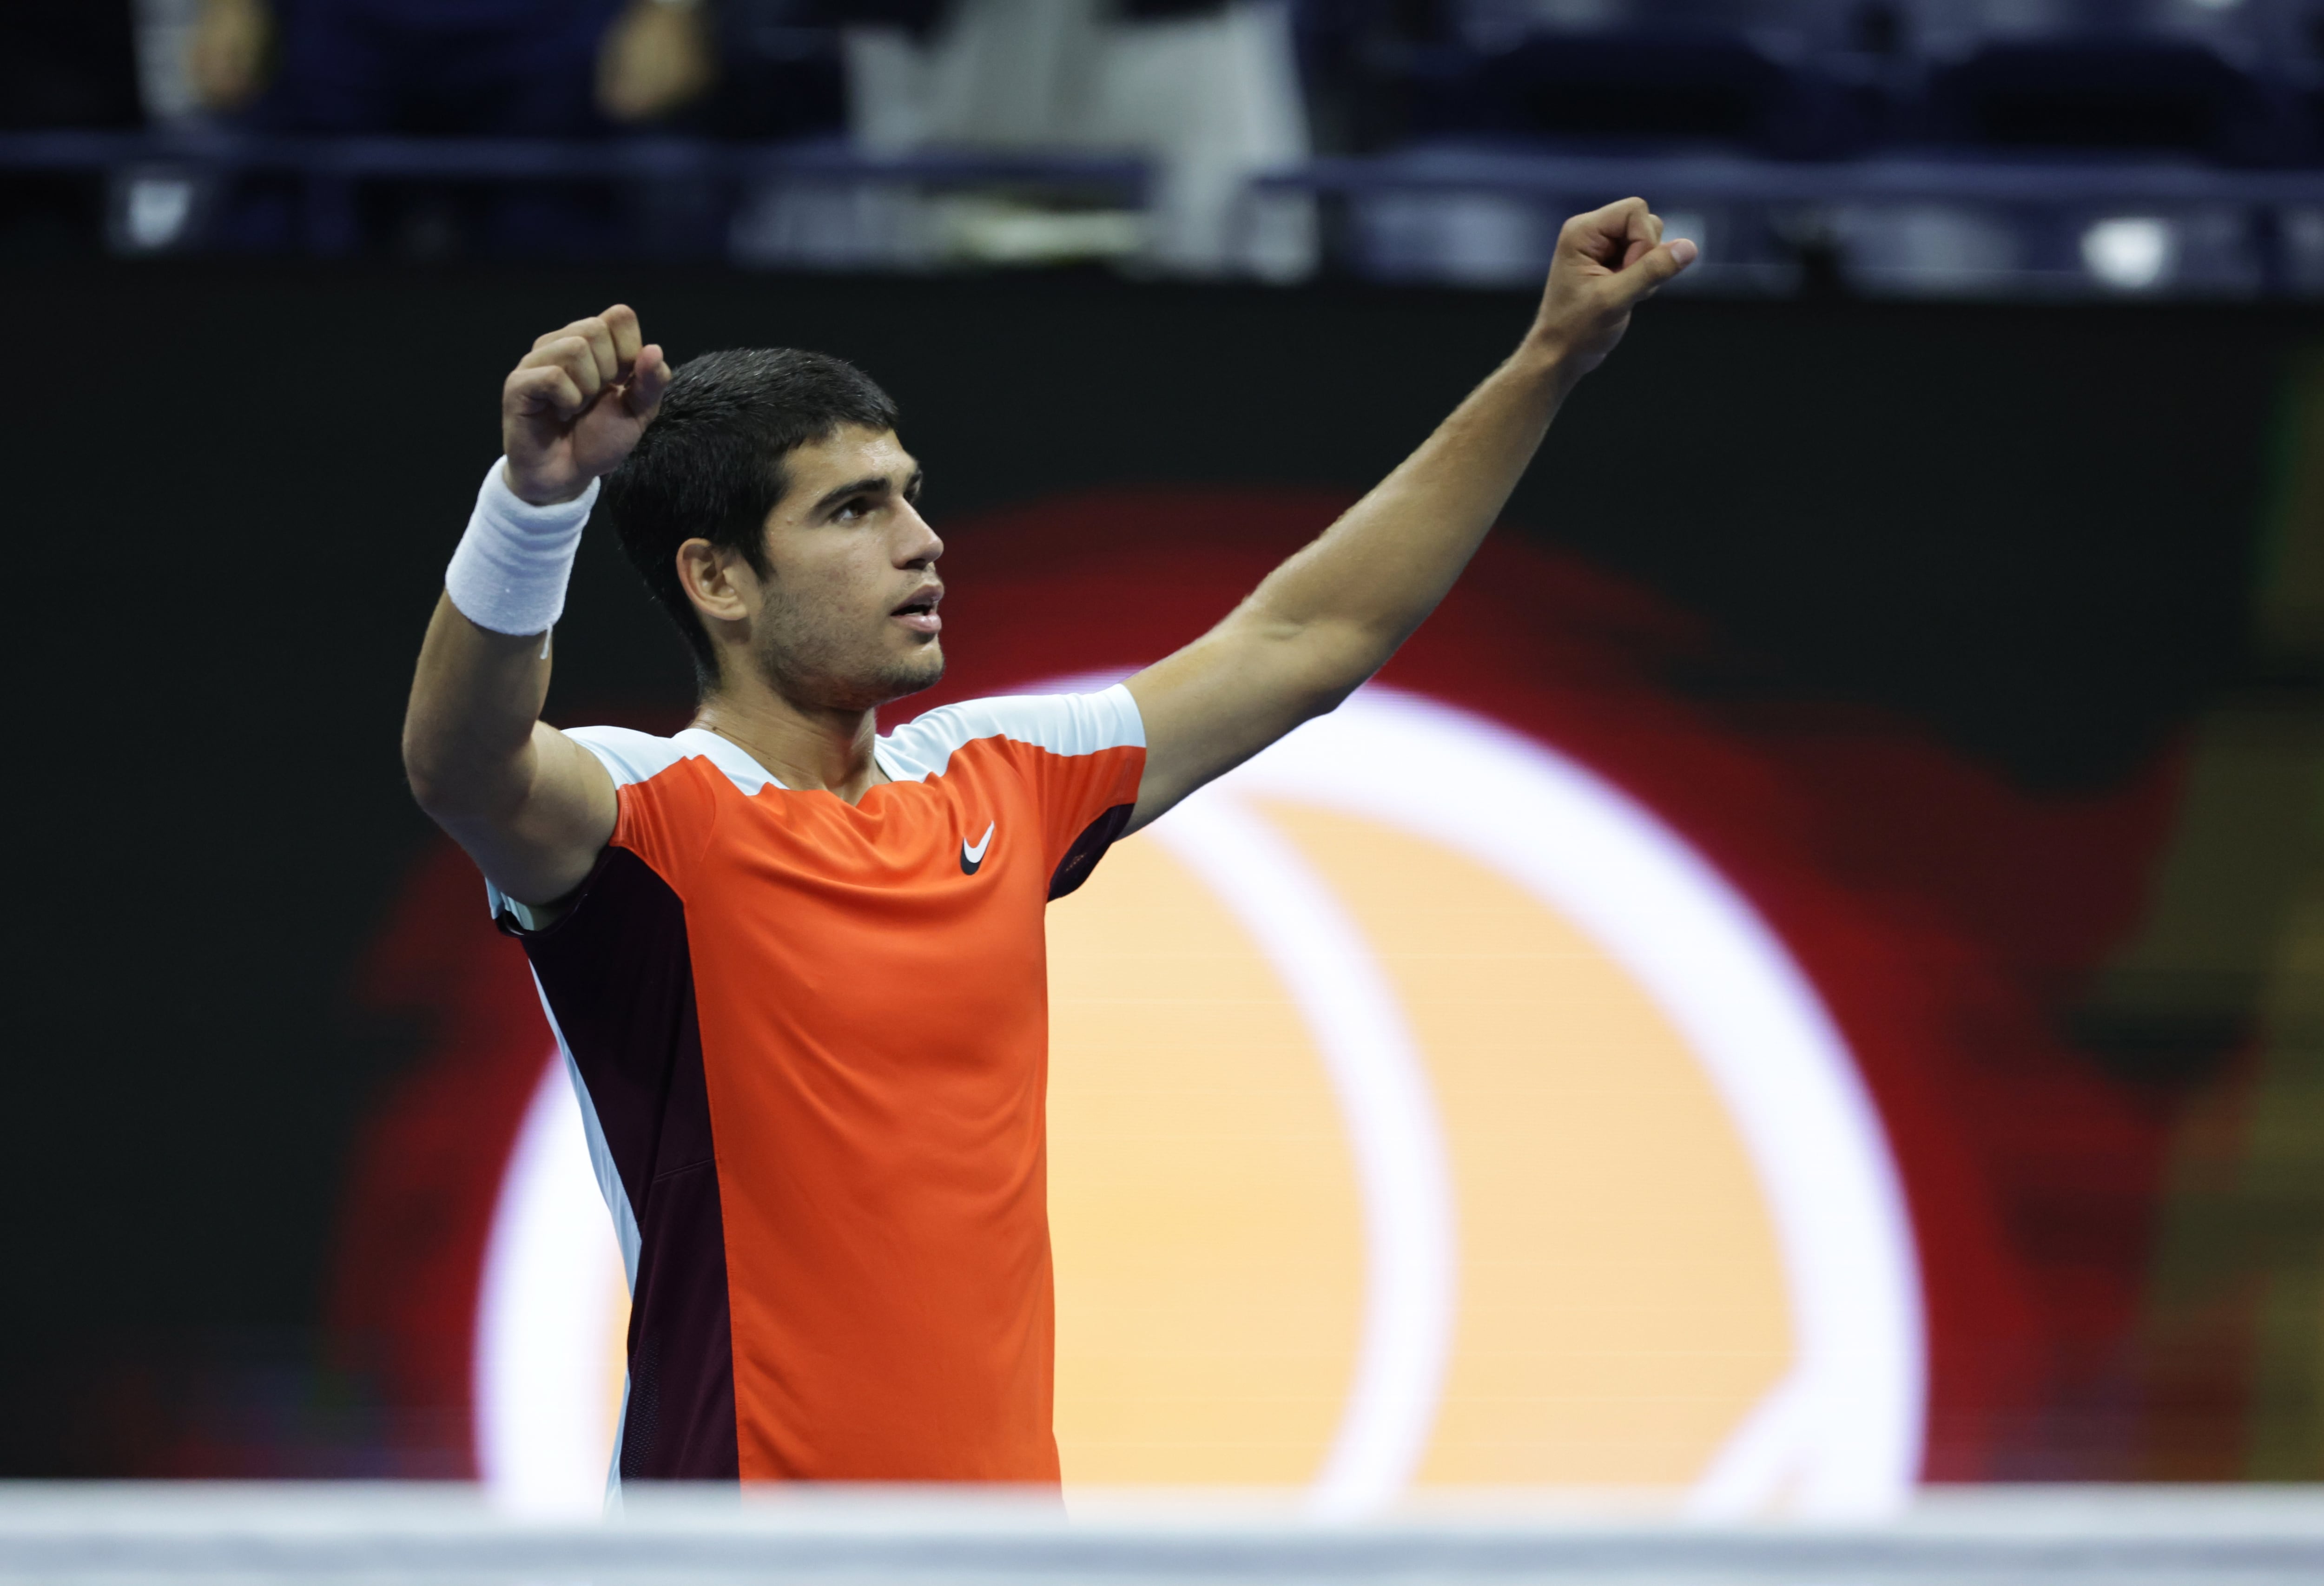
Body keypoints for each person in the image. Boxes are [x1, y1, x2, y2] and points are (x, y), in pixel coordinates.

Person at [401, 198, 1696, 1483]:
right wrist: (534, 501)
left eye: (911, 496)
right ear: (718, 580)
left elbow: (1304, 642)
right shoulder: (649, 820)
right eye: (853, 513)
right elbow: (460, 763)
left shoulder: (1002, 782)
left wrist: (1546, 365)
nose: (923, 542)